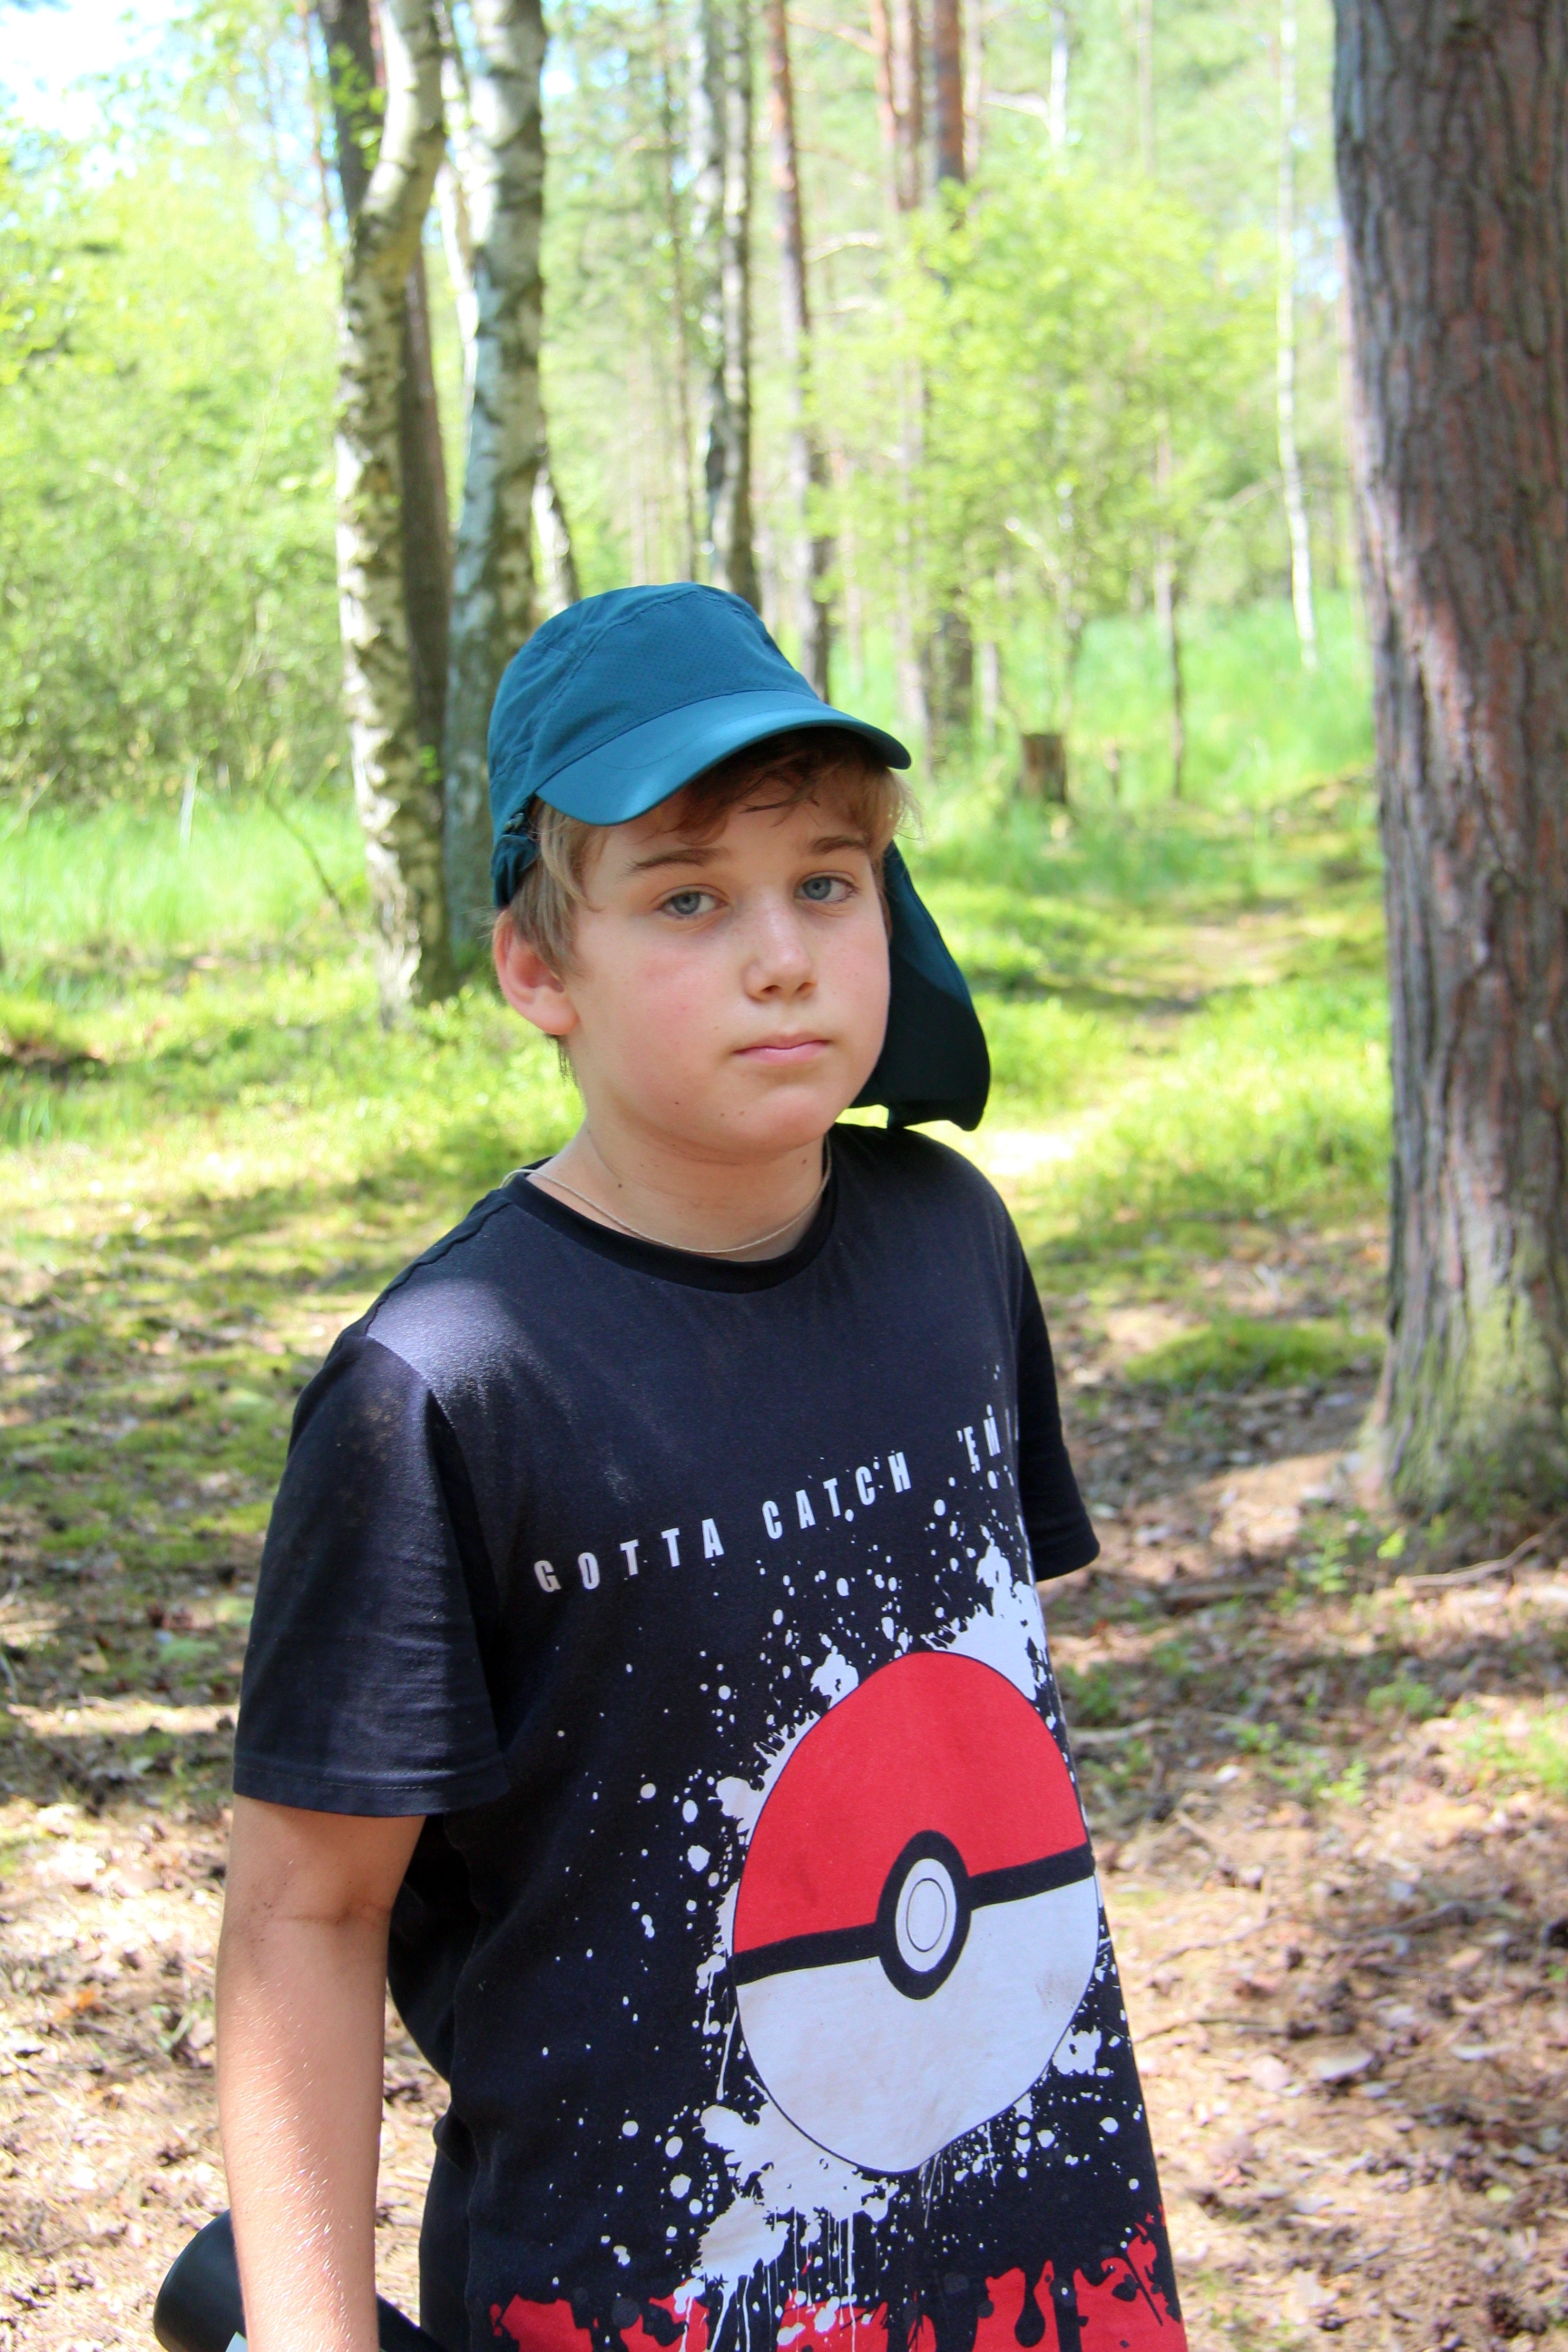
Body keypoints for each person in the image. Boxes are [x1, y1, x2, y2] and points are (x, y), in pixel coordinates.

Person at [218, 584, 1186, 2352]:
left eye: (828, 882)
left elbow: (967, 1740)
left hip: (1037, 2261)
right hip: (645, 2294)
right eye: (687, 899)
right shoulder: (440, 1391)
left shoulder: (954, 1248)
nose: (782, 955)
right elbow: (305, 1909)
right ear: (539, 970)